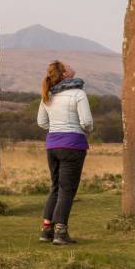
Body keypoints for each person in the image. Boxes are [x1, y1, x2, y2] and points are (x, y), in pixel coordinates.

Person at [36, 60, 92, 245]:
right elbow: (86, 122)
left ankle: (46, 230)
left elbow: (41, 123)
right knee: (67, 190)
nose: (70, 65)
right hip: (73, 145)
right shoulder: (78, 94)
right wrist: (84, 129)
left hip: (52, 145)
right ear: (65, 74)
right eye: (67, 66)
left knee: (55, 187)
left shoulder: (48, 94)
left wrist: (57, 128)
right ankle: (61, 232)